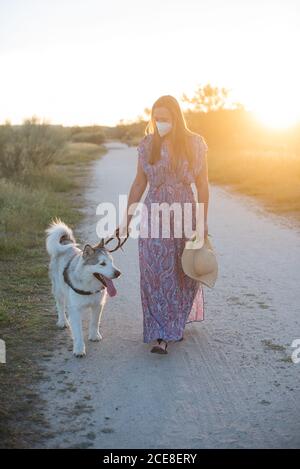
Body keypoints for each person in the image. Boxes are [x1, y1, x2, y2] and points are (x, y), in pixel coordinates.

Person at [116, 95, 209, 354]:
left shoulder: (195, 144)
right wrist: (125, 220)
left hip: (185, 213)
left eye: (165, 119)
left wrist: (202, 222)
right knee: (155, 272)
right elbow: (138, 184)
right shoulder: (147, 145)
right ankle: (160, 333)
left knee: (182, 271)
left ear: (176, 118)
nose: (160, 123)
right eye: (156, 119)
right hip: (154, 213)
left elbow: (202, 185)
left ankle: (174, 323)